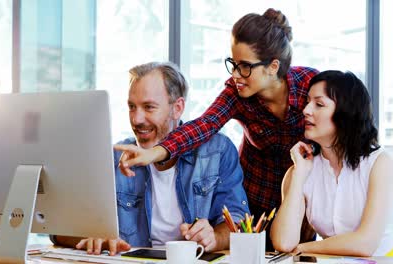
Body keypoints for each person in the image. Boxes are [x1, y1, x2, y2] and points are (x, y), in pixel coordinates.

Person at [114, 8, 319, 249]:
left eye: (244, 66)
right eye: (233, 64)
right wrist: (155, 153)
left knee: (297, 252)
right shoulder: (237, 92)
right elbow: (204, 126)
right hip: (256, 192)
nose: (235, 74)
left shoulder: (310, 87)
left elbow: (341, 125)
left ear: (273, 66)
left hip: (301, 193)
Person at [51, 62, 249, 255]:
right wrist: (92, 237)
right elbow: (58, 230)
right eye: (131, 107)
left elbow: (238, 222)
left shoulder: (217, 151)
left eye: (149, 107)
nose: (136, 119)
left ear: (177, 108)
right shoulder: (113, 158)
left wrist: (215, 237)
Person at [270, 71, 393, 263]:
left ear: (346, 114)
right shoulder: (303, 169)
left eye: (319, 104)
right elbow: (283, 242)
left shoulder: (379, 162)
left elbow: (365, 244)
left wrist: (305, 248)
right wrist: (299, 175)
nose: (306, 110)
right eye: (307, 101)